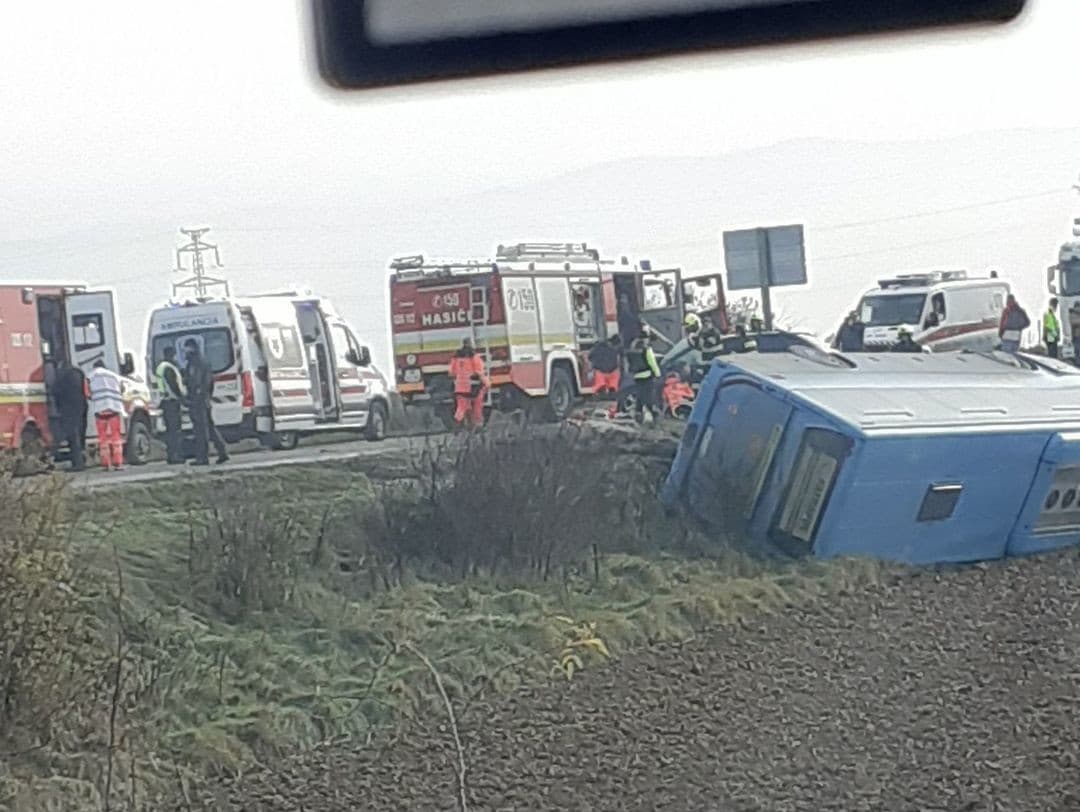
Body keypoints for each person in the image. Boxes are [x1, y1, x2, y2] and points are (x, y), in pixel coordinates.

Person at [183, 339, 229, 465]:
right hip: (203, 400)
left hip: (199, 401)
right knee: (209, 427)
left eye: (187, 348)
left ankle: (203, 457)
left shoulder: (197, 362)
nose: (185, 351)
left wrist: (198, 395)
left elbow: (200, 382)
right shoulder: (197, 362)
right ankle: (222, 451)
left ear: (191, 348)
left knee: (201, 430)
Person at [87, 360, 125, 471]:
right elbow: (122, 389)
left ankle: (106, 464)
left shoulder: (90, 376)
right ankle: (118, 463)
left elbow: (87, 393)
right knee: (116, 438)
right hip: (114, 409)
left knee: (103, 439)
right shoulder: (114, 376)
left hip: (100, 411)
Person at [154, 346, 187, 464]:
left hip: (165, 401)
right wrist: (182, 398)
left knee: (170, 430)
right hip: (171, 402)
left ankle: (171, 455)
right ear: (171, 354)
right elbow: (173, 385)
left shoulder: (161, 367)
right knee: (175, 430)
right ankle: (175, 456)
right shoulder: (168, 368)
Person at [53, 360, 87, 471]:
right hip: (82, 406)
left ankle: (78, 464)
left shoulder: (62, 376)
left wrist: (57, 408)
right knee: (80, 434)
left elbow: (56, 392)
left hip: (68, 408)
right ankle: (82, 459)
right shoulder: (79, 373)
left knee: (73, 436)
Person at [449, 338, 487, 429]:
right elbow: (479, 371)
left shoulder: (455, 357)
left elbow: (451, 372)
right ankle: (478, 424)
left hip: (459, 387)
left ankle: (457, 423)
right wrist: (486, 383)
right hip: (472, 387)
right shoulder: (474, 356)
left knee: (461, 407)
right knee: (477, 404)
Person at [626, 330, 661, 423]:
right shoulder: (646, 349)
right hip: (647, 375)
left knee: (640, 395)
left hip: (637, 376)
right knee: (648, 395)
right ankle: (653, 414)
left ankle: (638, 413)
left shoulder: (632, 348)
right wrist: (657, 374)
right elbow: (652, 362)